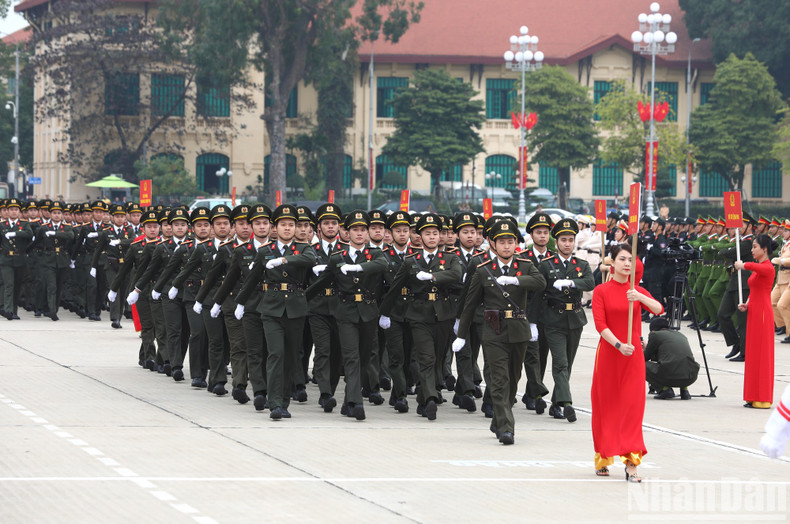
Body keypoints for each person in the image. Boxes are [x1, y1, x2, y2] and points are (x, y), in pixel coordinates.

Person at [455, 220, 545, 444]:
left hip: (518, 330)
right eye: (502, 242)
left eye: (511, 241)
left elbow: (540, 282)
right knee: (499, 379)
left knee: (514, 379)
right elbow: (470, 304)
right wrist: (461, 334)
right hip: (493, 331)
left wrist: (515, 280)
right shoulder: (483, 268)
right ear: (492, 243)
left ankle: (498, 419)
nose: (507, 246)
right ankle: (506, 428)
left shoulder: (525, 265)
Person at [591, 243, 663, 482]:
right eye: (622, 259)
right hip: (611, 353)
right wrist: (619, 345)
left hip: (633, 357)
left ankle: (632, 462)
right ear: (612, 263)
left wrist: (640, 295)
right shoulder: (601, 290)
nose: (627, 264)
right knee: (607, 406)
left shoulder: (636, 290)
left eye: (630, 260)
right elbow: (601, 326)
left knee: (632, 408)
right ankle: (603, 457)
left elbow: (659, 310)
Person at [538, 218, 595, 422]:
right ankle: (566, 403)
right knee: (560, 363)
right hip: (554, 319)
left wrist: (571, 282)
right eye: (563, 239)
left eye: (571, 239)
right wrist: (534, 322)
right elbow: (538, 292)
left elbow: (590, 282)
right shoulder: (546, 265)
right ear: (557, 241)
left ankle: (555, 404)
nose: (568, 243)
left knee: (568, 364)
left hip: (575, 319)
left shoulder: (581, 264)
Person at [734, 234, 779, 409]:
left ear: (764, 249)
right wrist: (747, 303)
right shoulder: (760, 267)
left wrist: (743, 265)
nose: (752, 250)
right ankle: (753, 395)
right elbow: (755, 290)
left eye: (755, 247)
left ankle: (763, 397)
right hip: (754, 311)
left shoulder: (768, 267)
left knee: (762, 355)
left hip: (762, 315)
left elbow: (757, 270)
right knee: (753, 354)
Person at [644, 317, 699, 400]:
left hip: (670, 376)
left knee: (640, 364)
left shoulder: (655, 335)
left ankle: (664, 390)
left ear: (653, 331)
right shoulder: (680, 335)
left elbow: (644, 357)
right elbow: (667, 356)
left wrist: (646, 347)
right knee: (680, 362)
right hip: (690, 377)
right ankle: (684, 391)